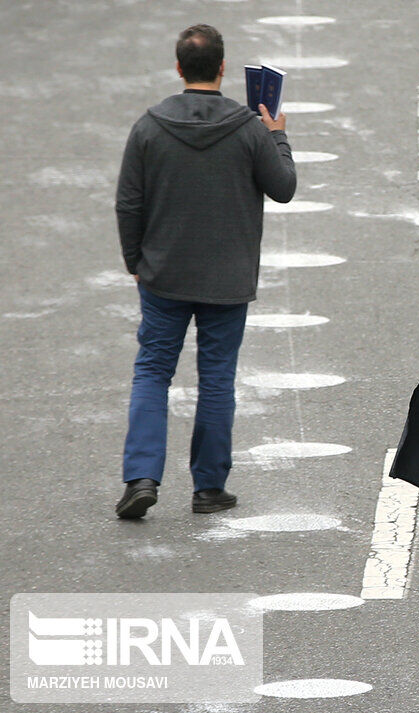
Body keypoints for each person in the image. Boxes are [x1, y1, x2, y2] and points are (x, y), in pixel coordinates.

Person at [114, 24, 296, 519]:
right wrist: (278, 137)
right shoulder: (249, 129)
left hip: (164, 274)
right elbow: (282, 188)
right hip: (227, 278)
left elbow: (129, 203)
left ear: (179, 68)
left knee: (153, 370)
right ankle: (209, 488)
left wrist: (136, 263)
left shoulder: (149, 126)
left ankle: (142, 478)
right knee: (216, 378)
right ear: (221, 68)